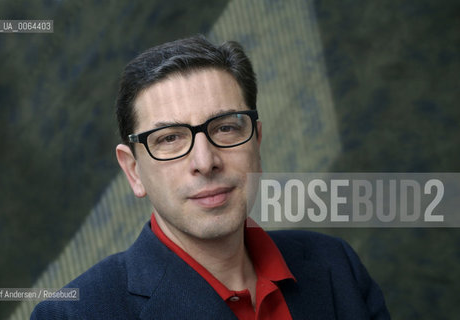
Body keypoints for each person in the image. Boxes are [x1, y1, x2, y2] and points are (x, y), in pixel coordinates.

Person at [31, 35, 390, 319]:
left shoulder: (335, 265)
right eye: (170, 138)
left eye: (226, 128)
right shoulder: (74, 313)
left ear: (257, 142)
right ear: (133, 170)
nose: (205, 161)